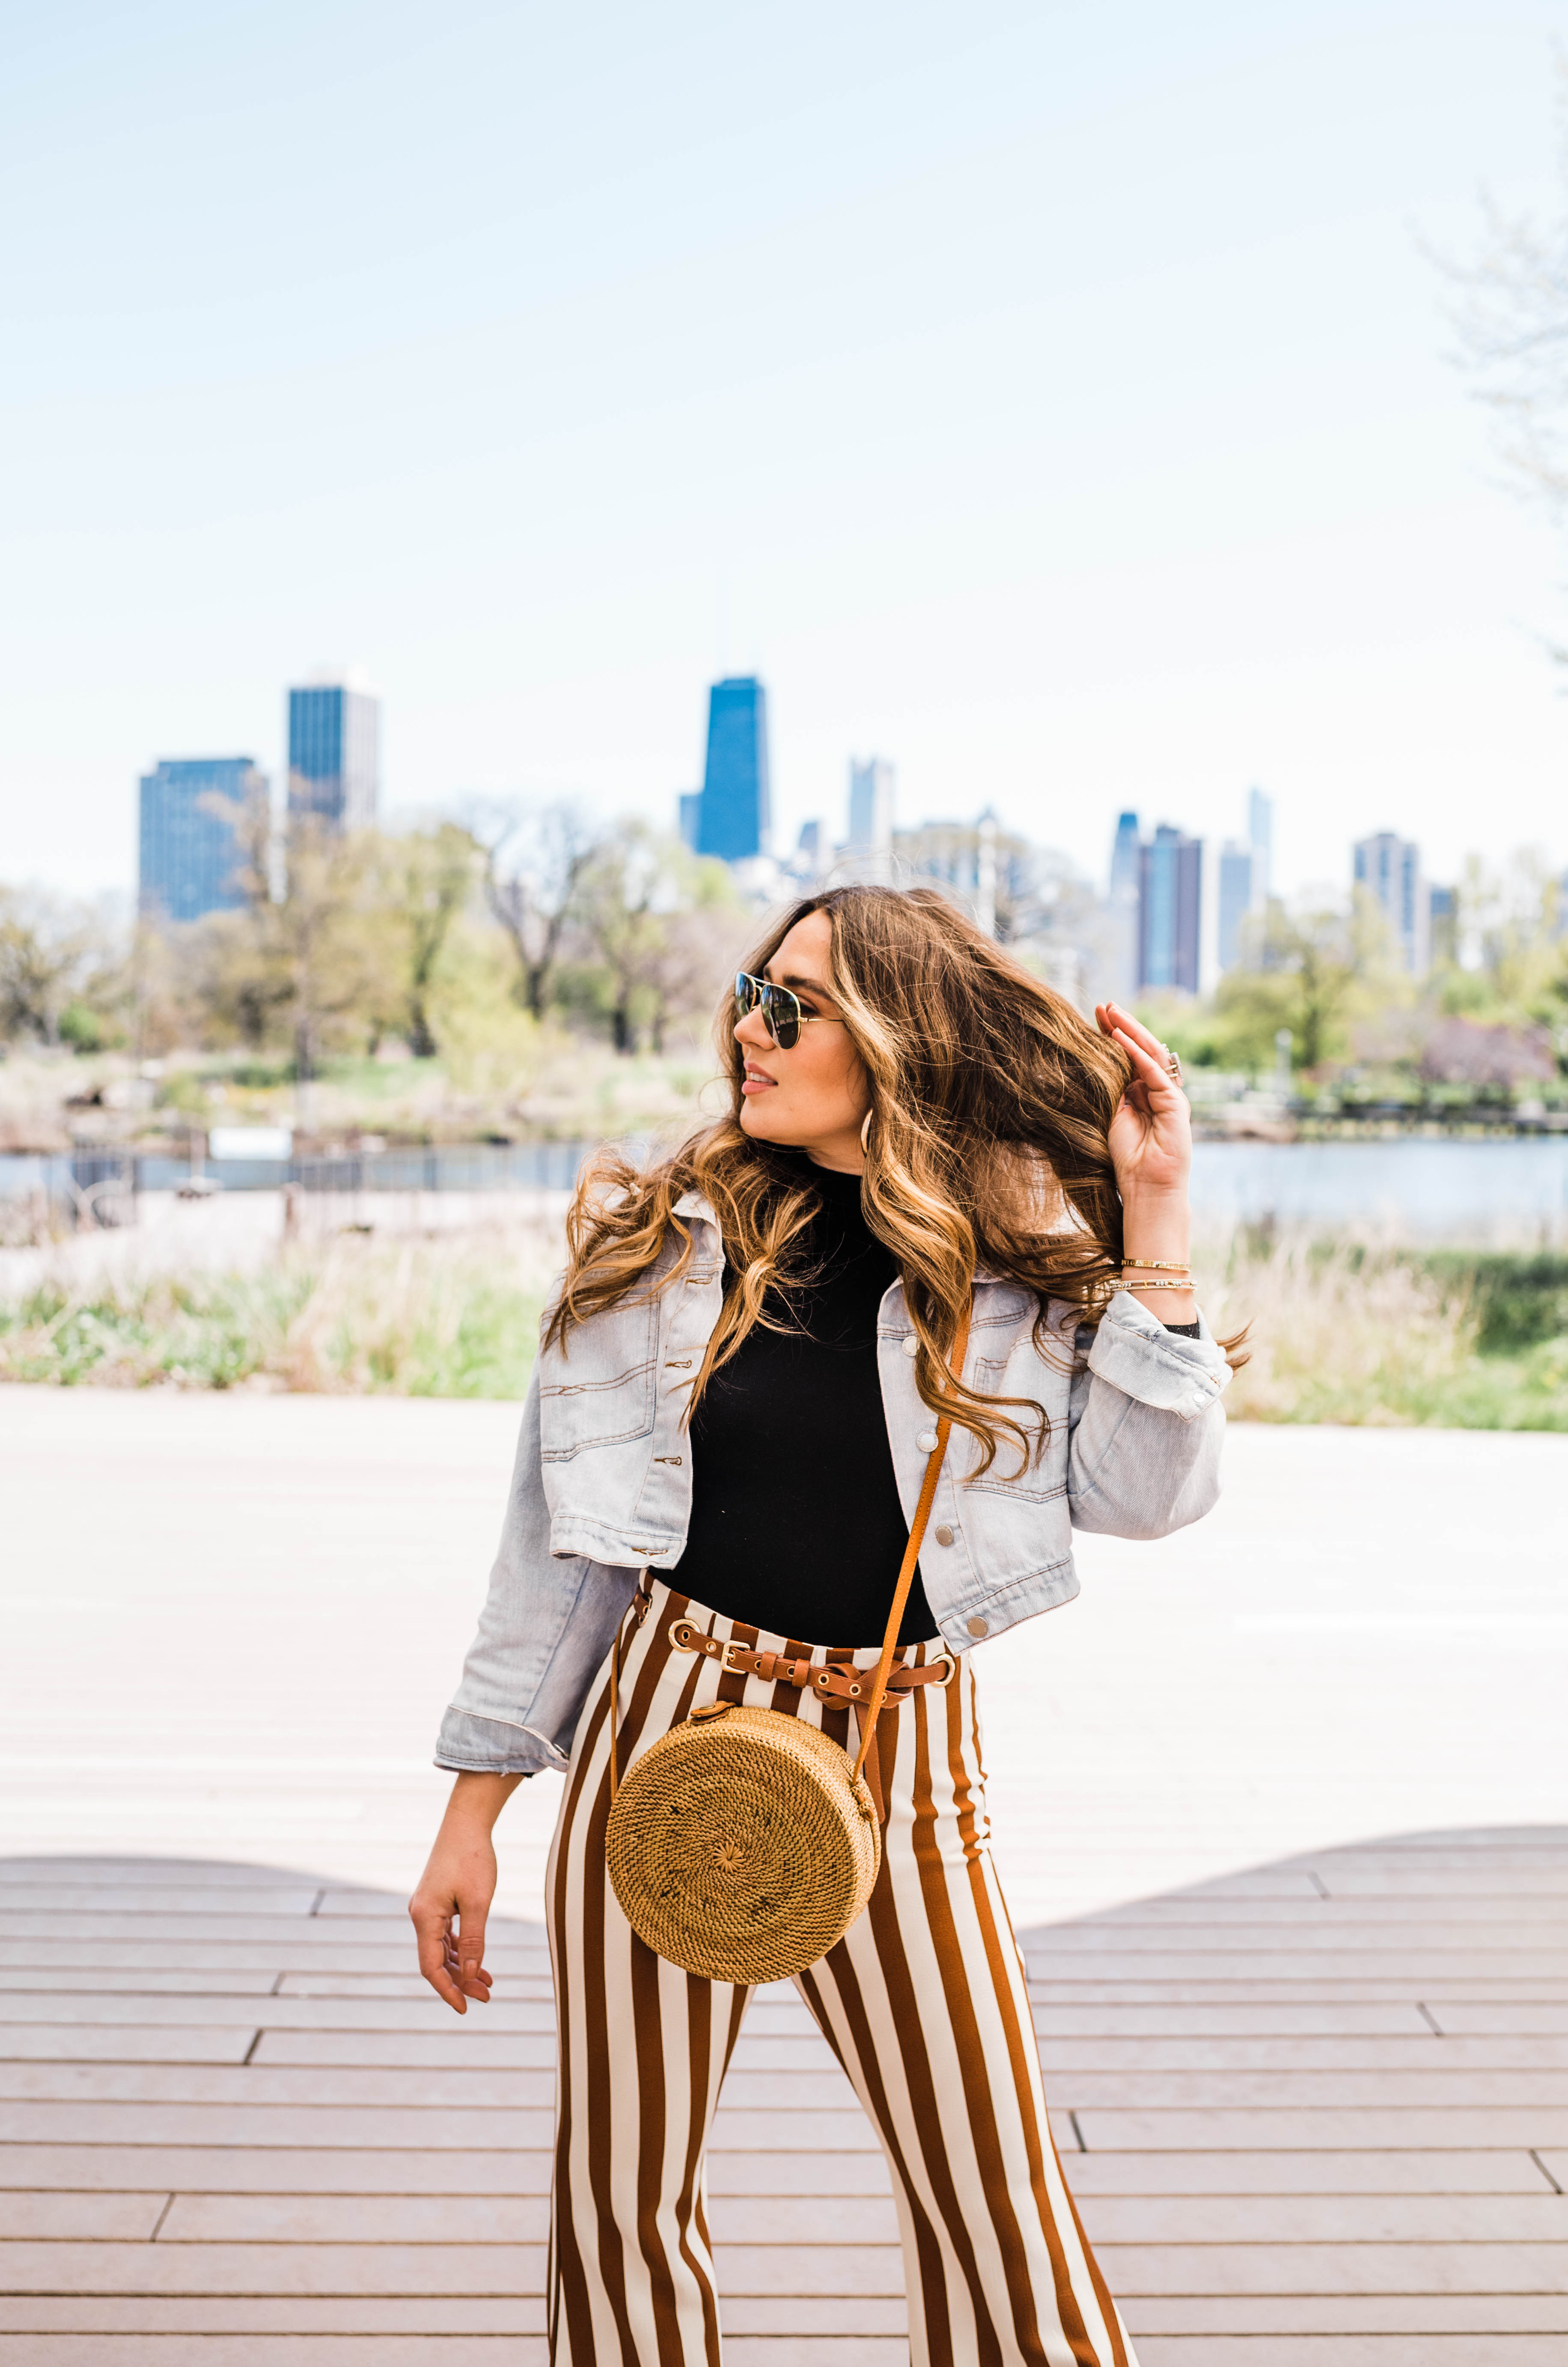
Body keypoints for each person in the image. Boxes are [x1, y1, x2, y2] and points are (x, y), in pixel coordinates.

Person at [410, 883, 1235, 2367]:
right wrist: (473, 1809)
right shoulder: (657, 1246)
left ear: (897, 1040)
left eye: (792, 1005)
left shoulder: (1006, 1262)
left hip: (900, 1747)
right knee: (622, 2200)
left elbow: (1147, 1494)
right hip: (665, 1724)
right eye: (750, 990)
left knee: (1000, 2204)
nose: (749, 1026)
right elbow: (558, 1551)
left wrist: (1157, 1209)